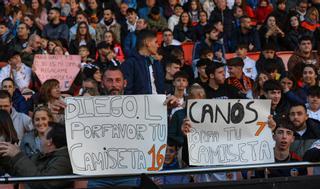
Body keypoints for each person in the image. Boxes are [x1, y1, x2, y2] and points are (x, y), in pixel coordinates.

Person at [0, 122, 73, 189]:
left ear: (49, 141)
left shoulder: (64, 161)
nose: (39, 138)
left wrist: (17, 155)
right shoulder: (42, 155)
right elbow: (21, 172)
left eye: (42, 135)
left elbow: (43, 184)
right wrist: (3, 155)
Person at [121, 29, 165, 94]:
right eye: (155, 42)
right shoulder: (129, 63)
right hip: (139, 103)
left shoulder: (156, 62)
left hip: (158, 102)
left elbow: (161, 87)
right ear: (147, 43)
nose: (157, 46)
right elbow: (127, 89)